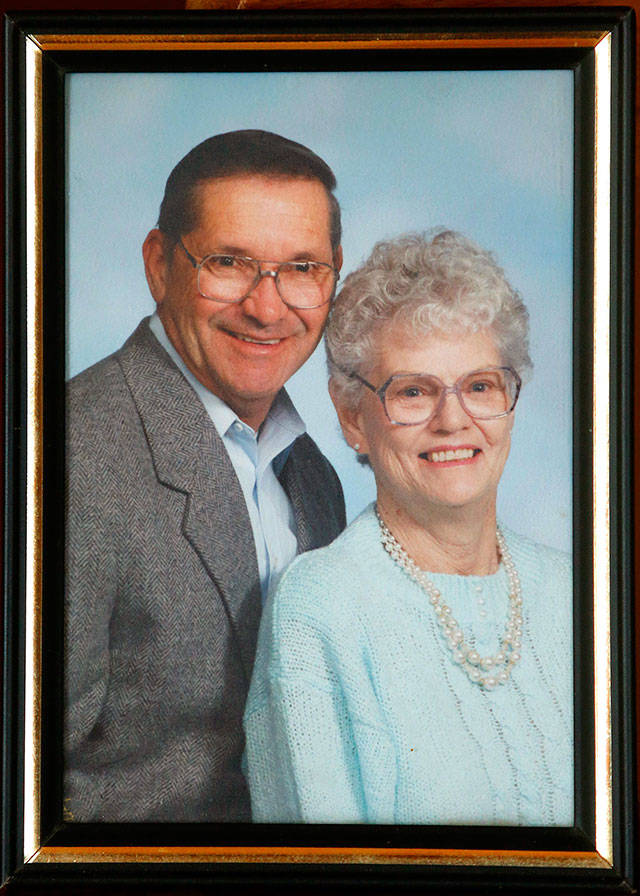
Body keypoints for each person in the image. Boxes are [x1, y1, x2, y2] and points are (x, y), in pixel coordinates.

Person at [244, 230, 573, 825]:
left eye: (479, 385)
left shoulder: (581, 592)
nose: (454, 420)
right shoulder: (319, 609)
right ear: (352, 418)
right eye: (414, 391)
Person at [64, 130, 346, 822]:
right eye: (229, 262)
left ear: (334, 275)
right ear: (160, 265)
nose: (268, 306)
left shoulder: (314, 477)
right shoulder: (72, 458)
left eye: (302, 267)